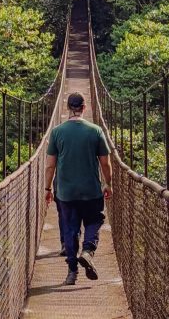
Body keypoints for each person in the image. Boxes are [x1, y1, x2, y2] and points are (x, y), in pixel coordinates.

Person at [45, 92, 113, 286]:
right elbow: (105, 163)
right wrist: (108, 183)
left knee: (70, 229)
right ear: (85, 108)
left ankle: (72, 272)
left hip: (66, 193)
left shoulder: (57, 132)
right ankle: (87, 251)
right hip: (91, 190)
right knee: (94, 220)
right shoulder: (96, 131)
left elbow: (50, 165)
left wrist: (47, 189)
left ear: (68, 108)